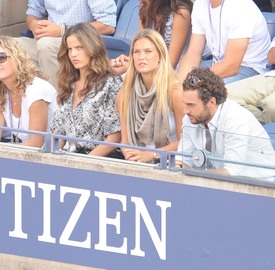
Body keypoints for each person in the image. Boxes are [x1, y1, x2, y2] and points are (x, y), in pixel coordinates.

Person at [176, 67, 275, 181]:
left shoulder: (235, 117)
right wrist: (175, 166)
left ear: (211, 103)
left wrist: (197, 176)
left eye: (191, 105)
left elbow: (232, 171)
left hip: (265, 187)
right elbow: (183, 160)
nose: (185, 111)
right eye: (185, 104)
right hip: (231, 186)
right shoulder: (191, 118)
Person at [50, 23, 122, 157]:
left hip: (101, 160)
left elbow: (114, 137)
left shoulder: (111, 83)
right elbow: (58, 133)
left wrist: (84, 163)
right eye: (70, 49)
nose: (73, 54)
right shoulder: (68, 83)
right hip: (69, 158)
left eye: (79, 48)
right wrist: (50, 157)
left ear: (92, 47)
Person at [117, 29, 185, 163]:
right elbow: (125, 142)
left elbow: (185, 142)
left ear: (160, 56)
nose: (141, 57)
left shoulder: (175, 91)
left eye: (148, 51)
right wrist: (131, 156)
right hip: (136, 160)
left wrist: (152, 155)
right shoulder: (124, 93)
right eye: (136, 52)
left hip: (170, 162)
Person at [15, 0, 117, 88]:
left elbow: (107, 25)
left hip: (80, 42)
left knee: (45, 45)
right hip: (47, 39)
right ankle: (28, 102)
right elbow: (33, 13)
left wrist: (62, 30)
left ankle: (58, 103)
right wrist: (34, 24)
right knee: (10, 47)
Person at [177, 0, 271, 84]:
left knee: (204, 90)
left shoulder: (240, 6)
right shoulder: (200, 5)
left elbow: (232, 66)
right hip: (217, 63)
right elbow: (193, 54)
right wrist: (179, 84)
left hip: (249, 69)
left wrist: (194, 81)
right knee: (174, 77)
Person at [0, 36, 57, 147]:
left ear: (17, 59)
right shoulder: (3, 90)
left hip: (49, 155)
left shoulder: (36, 90)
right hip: (20, 151)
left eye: (1, 57)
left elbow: (36, 144)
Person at [111, 0, 193, 74]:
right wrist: (128, 62)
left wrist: (132, 67)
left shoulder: (181, 13)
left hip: (172, 70)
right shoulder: (144, 6)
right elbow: (143, 46)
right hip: (150, 63)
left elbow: (171, 64)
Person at [226, 37, 275, 124]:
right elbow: (271, 57)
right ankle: (261, 127)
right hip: (272, 77)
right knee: (225, 95)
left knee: (272, 105)